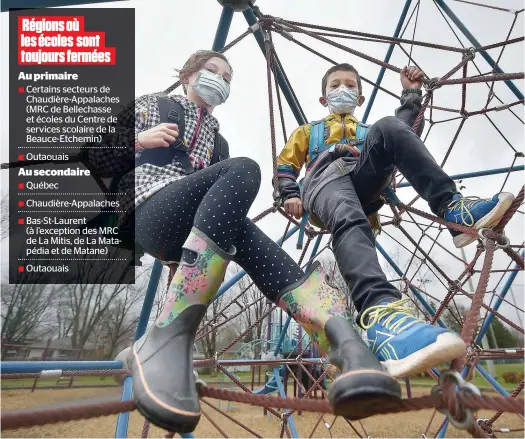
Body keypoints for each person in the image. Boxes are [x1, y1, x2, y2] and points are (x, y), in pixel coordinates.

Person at [82, 51, 409, 433]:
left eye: (227, 77)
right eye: (212, 72)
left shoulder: (216, 142)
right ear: (188, 75)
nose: (220, 80)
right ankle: (167, 336)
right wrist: (139, 140)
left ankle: (342, 340)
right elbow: (94, 154)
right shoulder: (155, 105)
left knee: (255, 243)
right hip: (148, 208)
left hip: (189, 227)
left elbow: (209, 223)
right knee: (244, 169)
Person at [276, 63, 515, 379]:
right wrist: (289, 193)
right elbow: (285, 165)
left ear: (360, 98)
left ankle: (450, 206)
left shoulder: (366, 132)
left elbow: (404, 133)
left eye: (349, 85)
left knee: (389, 126)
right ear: (323, 98)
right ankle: (381, 316)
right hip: (325, 180)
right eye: (334, 86)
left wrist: (411, 93)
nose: (342, 90)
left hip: (363, 178)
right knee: (349, 216)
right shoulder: (309, 132)